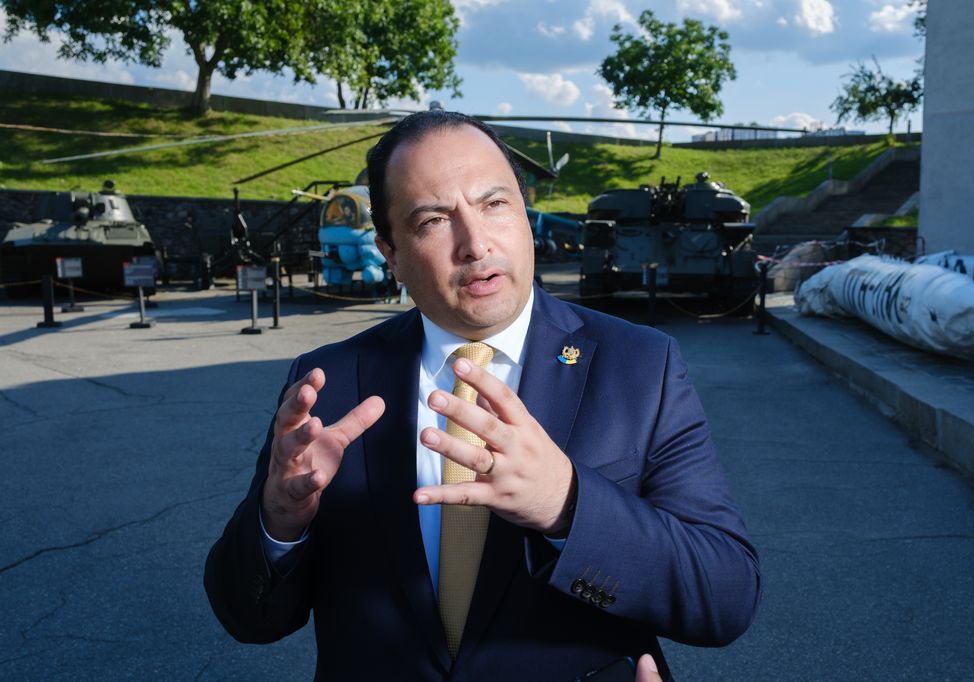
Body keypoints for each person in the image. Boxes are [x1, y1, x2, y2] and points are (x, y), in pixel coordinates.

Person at [204, 111, 761, 680]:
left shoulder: (641, 364)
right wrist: (278, 518)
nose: (475, 244)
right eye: (433, 220)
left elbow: (726, 596)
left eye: (494, 204)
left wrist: (568, 505)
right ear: (390, 254)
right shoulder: (327, 382)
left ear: (523, 214)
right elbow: (249, 618)